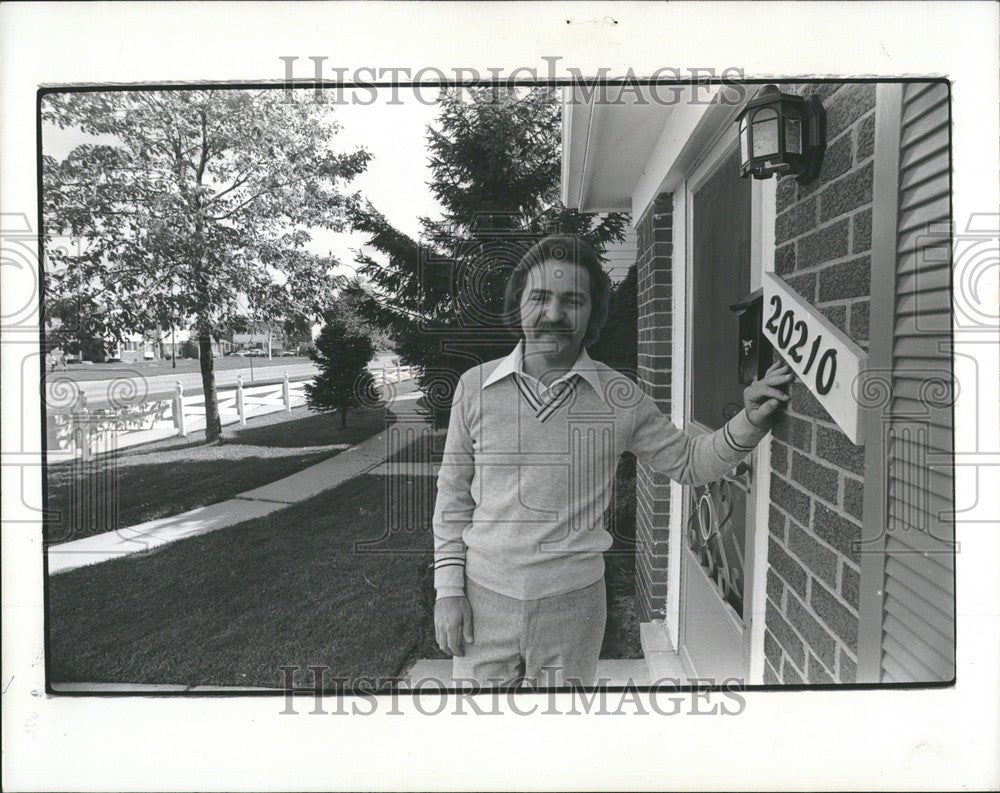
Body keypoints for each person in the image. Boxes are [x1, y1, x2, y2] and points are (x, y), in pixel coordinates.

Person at [432, 235, 793, 689]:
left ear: (591, 312)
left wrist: (750, 422)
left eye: (573, 301)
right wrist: (448, 590)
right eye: (539, 297)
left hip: (574, 607)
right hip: (482, 600)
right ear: (518, 302)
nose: (553, 314)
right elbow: (452, 495)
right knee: (483, 744)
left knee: (559, 746)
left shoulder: (618, 396)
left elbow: (688, 462)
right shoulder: (474, 387)